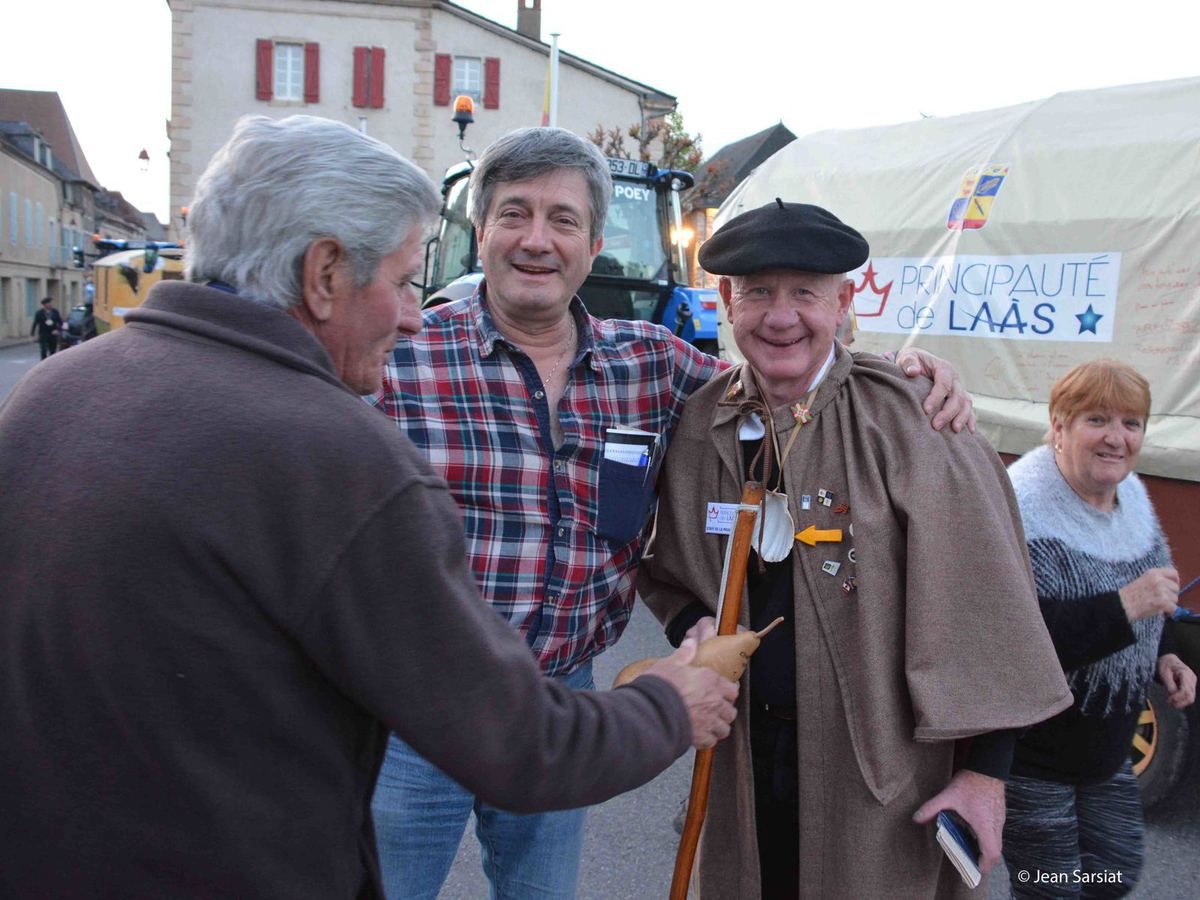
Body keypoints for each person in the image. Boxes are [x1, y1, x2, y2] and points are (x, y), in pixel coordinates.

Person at [0, 115, 741, 899]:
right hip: (409, 736)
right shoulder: (337, 441)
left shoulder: (52, 391)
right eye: (399, 280)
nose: (412, 313)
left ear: (594, 245)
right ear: (324, 274)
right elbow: (523, 743)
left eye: (564, 220)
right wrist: (669, 703)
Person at [370, 127, 979, 900]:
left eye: (562, 220)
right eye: (514, 215)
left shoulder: (654, 365)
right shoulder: (398, 359)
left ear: (594, 244)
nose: (536, 240)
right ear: (479, 232)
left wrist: (906, 374)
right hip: (418, 713)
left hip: (565, 701)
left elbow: (785, 373)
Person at [637, 199, 1076, 899]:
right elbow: (670, 570)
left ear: (844, 301)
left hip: (879, 778)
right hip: (744, 759)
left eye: (805, 293)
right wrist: (693, 621)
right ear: (726, 299)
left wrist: (986, 775)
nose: (781, 317)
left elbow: (987, 608)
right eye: (757, 294)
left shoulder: (916, 418)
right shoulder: (700, 425)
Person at [1001, 359, 1196, 898]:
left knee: (1113, 871)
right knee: (1052, 888)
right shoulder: (1021, 507)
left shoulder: (1129, 495)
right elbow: (1018, 643)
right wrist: (1124, 605)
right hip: (1034, 758)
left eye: (1131, 424)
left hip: (1106, 751)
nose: (1117, 438)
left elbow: (1153, 587)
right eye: (1097, 420)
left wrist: (1166, 654)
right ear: (1059, 425)